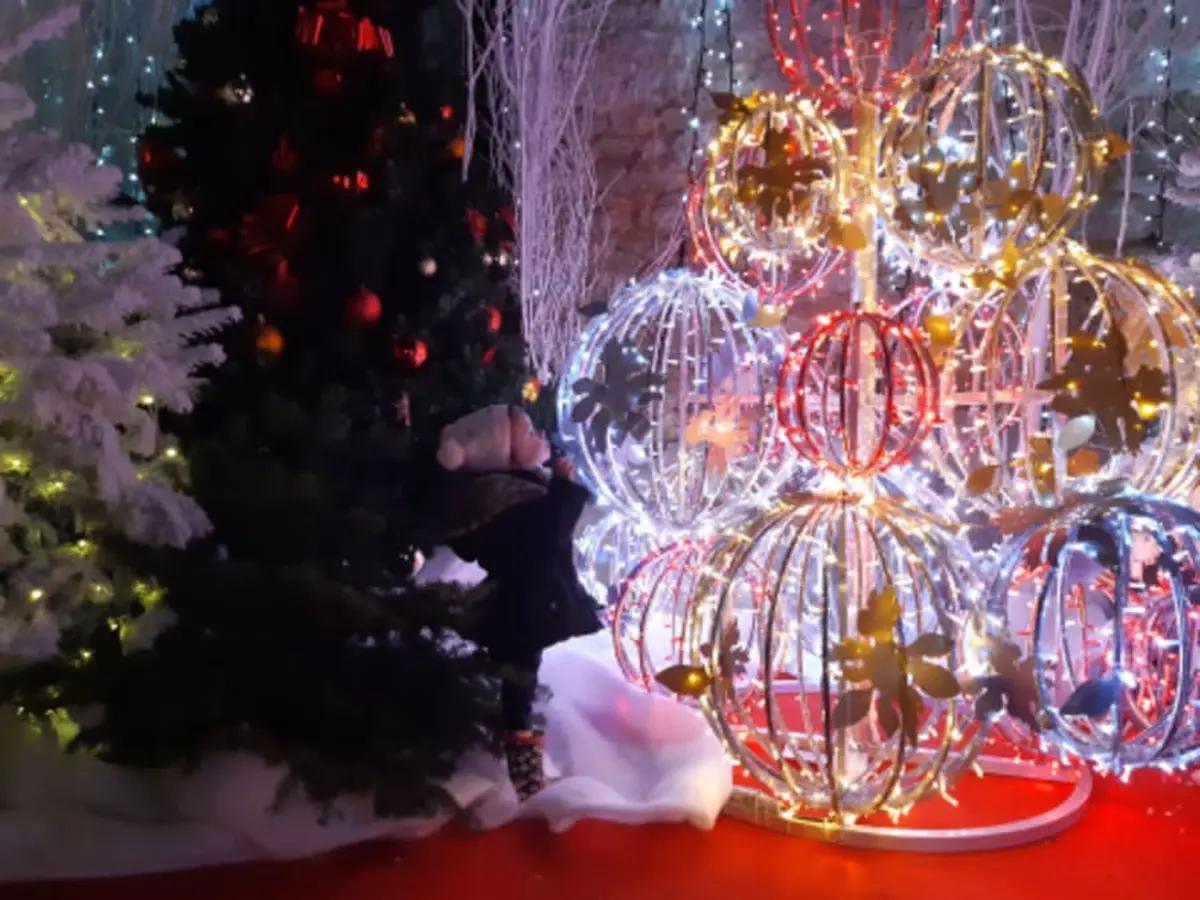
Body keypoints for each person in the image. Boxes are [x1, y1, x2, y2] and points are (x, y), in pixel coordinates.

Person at [434, 404, 604, 799]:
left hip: (528, 603)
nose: (540, 436)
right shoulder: (506, 501)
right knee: (519, 679)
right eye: (529, 434)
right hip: (522, 609)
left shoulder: (519, 489)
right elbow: (546, 540)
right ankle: (521, 762)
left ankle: (513, 741)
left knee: (520, 673)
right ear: (504, 455)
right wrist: (562, 490)